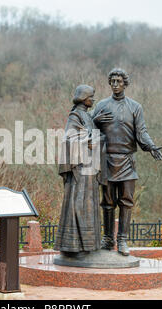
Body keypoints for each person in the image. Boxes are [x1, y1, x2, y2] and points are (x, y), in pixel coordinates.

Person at [92, 68, 162, 256]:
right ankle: (108, 238)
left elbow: (141, 132)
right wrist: (93, 120)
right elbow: (83, 130)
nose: (115, 84)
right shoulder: (101, 105)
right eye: (112, 81)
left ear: (125, 83)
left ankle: (122, 239)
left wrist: (151, 146)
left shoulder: (135, 107)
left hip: (127, 160)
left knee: (126, 201)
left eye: (119, 81)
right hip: (106, 160)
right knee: (107, 202)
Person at [54, 85, 102, 256]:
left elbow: (92, 137)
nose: (93, 99)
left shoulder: (87, 116)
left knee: (88, 205)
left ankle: (87, 245)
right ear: (83, 98)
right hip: (79, 170)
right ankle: (73, 246)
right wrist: (87, 141)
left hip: (89, 169)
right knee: (77, 204)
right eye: (91, 96)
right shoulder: (75, 116)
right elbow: (69, 140)